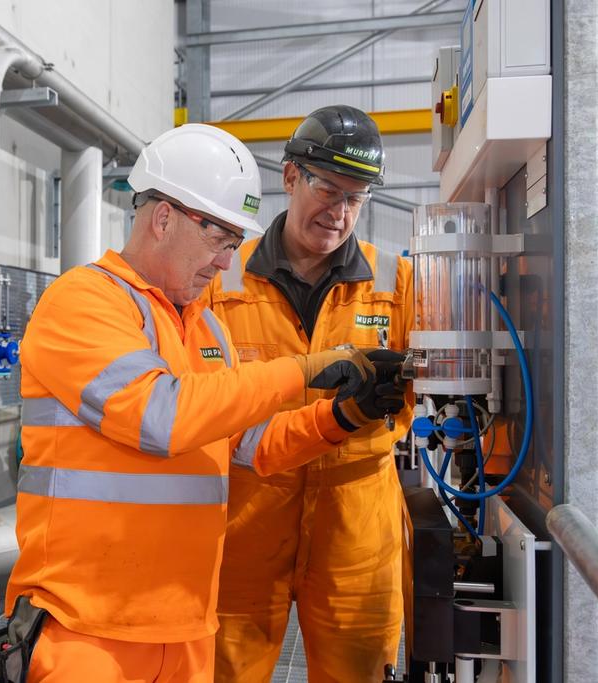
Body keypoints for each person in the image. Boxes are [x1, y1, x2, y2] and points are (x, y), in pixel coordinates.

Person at [3, 123, 398, 683]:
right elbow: (161, 415)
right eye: (220, 239)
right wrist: (302, 370)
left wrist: (340, 417)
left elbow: (253, 444)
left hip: (187, 628)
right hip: (89, 632)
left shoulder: (204, 327)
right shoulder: (83, 301)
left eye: (236, 244)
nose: (226, 262)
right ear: (164, 218)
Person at [204, 105, 414, 683]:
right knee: (224, 671)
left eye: (356, 198)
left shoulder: (396, 283)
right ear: (291, 176)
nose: (340, 211)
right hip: (244, 524)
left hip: (356, 530)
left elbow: (428, 389)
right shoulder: (221, 280)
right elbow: (198, 399)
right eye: (328, 188)